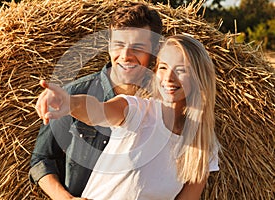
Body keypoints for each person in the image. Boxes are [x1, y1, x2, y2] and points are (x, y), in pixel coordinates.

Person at [35, 35, 220, 199]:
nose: (169, 77)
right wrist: (70, 102)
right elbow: (98, 111)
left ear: (198, 78)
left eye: (181, 70)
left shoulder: (203, 145)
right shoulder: (138, 111)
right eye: (163, 67)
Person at [29, 2, 163, 199]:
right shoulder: (72, 94)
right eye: (118, 45)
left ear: (154, 50)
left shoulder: (165, 101)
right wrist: (65, 198)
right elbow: (42, 159)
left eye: (138, 47)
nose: (125, 56)